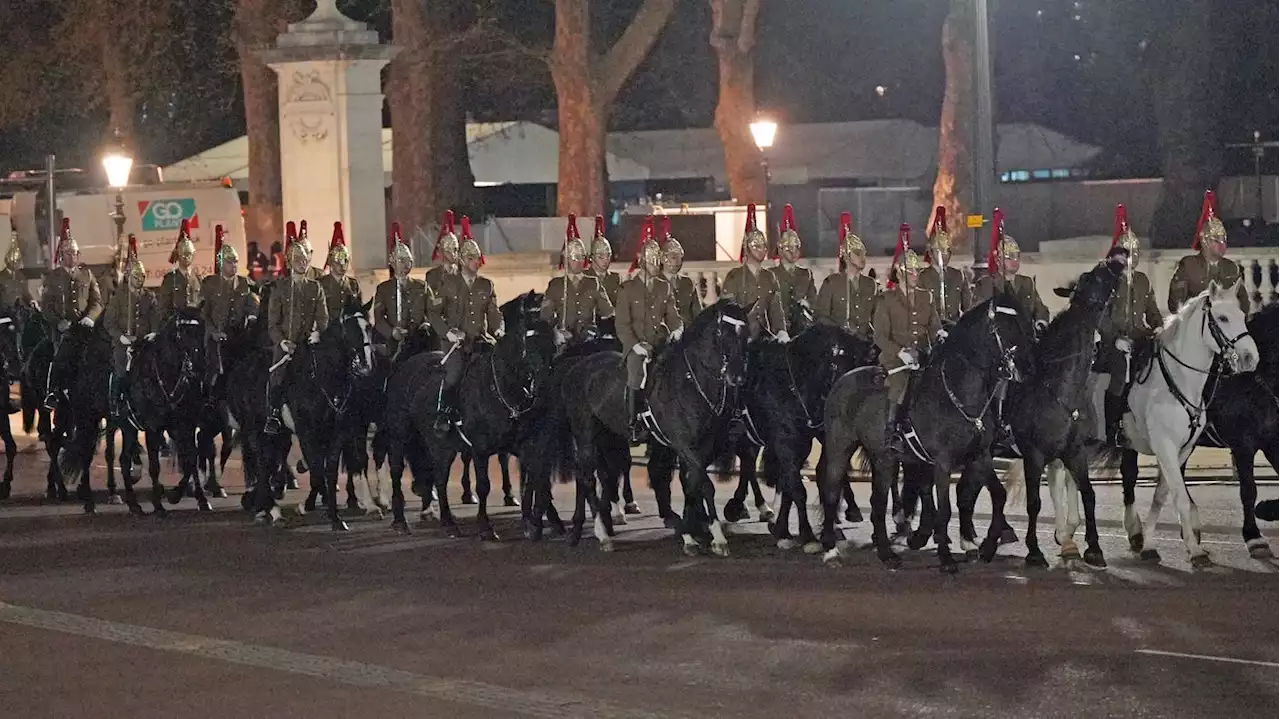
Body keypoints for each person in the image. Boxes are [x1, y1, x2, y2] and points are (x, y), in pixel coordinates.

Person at [429, 216, 502, 433]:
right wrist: (448, 333)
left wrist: (498, 327)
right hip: (454, 344)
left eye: (477, 258)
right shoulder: (447, 284)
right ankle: (444, 413)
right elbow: (434, 314)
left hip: (479, 340)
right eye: (471, 258)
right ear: (461, 260)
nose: (476, 262)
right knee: (454, 374)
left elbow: (493, 311)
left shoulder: (486, 285)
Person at [1097, 204, 1162, 447]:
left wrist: (1158, 326)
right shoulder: (1109, 280)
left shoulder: (1143, 280)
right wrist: (1114, 338)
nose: (1132, 257)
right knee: (1119, 374)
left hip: (1139, 337)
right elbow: (1102, 316)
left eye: (1135, 252)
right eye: (1128, 252)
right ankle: (1113, 427)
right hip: (1113, 342)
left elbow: (1152, 310)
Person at [874, 224, 942, 451]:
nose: (916, 276)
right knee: (899, 384)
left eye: (918, 271)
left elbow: (934, 326)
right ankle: (892, 431)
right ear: (900, 273)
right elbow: (880, 336)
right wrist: (900, 353)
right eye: (912, 271)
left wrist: (939, 333)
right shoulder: (887, 300)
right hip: (896, 360)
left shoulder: (926, 298)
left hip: (922, 356)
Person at [615, 216, 683, 442]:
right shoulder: (627, 289)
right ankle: (634, 421)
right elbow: (622, 325)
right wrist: (635, 345)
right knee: (637, 372)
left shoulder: (664, 287)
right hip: (635, 347)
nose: (657, 264)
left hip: (659, 341)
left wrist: (677, 328)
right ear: (642, 261)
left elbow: (672, 315)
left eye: (658, 260)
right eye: (653, 260)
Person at [264, 227, 329, 434]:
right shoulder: (279, 288)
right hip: (285, 346)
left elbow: (323, 317)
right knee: (278, 377)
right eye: (298, 259)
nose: (303, 263)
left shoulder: (315, 288)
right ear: (290, 262)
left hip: (307, 345)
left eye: (305, 259)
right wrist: (282, 342)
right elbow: (273, 323)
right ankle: (273, 414)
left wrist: (318, 332)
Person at [40, 218, 104, 409]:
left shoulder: (87, 275)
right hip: (64, 330)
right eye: (68, 253)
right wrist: (59, 322)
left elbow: (97, 301)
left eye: (75, 253)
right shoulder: (52, 277)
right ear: (62, 255)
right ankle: (53, 392)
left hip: (84, 327)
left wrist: (90, 317)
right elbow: (46, 307)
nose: (73, 256)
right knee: (60, 357)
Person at [1167, 189, 1251, 314]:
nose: (1223, 244)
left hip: (1225, 325)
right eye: (1217, 240)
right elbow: (1176, 305)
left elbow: (1244, 302)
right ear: (1205, 241)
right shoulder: (1189, 265)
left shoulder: (1231, 268)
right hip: (1196, 323)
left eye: (1224, 240)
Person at [971, 208, 1050, 331]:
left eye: (1016, 257)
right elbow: (977, 315)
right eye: (1009, 257)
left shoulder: (1027, 283)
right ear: (998, 260)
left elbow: (1040, 308)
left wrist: (1041, 321)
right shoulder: (986, 283)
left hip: (1026, 336)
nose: (1015, 261)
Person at [104, 236, 157, 416]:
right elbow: (109, 322)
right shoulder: (119, 297)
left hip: (144, 342)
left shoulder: (149, 296)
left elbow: (155, 317)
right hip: (123, 344)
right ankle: (116, 401)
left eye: (142, 276)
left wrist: (154, 332)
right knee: (121, 368)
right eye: (136, 276)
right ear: (128, 277)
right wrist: (121, 337)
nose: (140, 279)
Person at [542, 213, 613, 346]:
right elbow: (546, 316)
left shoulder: (593, 283)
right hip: (564, 340)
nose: (579, 262)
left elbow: (608, 312)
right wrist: (556, 332)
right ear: (566, 259)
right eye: (575, 258)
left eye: (581, 257)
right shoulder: (556, 285)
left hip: (589, 339)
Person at [721, 203, 787, 340]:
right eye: (756, 246)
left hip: (764, 337)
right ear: (747, 248)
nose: (761, 249)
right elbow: (726, 311)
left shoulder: (769, 277)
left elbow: (776, 310)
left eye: (764, 245)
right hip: (739, 339)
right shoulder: (735, 276)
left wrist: (781, 331)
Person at [200, 225, 252, 393]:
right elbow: (203, 312)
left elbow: (253, 305)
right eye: (230, 262)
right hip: (216, 339)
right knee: (215, 374)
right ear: (221, 263)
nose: (234, 265)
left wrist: (252, 317)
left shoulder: (245, 284)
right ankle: (208, 400)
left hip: (239, 337)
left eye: (236, 262)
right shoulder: (210, 284)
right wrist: (213, 331)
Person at [815, 212, 880, 337]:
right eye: (857, 253)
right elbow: (821, 317)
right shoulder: (832, 283)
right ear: (845, 257)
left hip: (865, 343)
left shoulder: (870, 284)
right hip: (839, 343)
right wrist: (840, 329)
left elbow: (876, 317)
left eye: (863, 253)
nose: (862, 258)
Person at [373, 222, 432, 360]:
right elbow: (379, 318)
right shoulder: (384, 289)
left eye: (408, 261)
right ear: (393, 263)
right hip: (395, 343)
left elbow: (431, 311)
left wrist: (427, 324)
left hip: (421, 342)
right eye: (401, 261)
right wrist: (391, 332)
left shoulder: (421, 286)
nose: (405, 265)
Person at [917, 206, 972, 323]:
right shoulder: (922, 277)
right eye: (939, 250)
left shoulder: (958, 275)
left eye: (946, 250)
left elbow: (968, 308)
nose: (943, 254)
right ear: (930, 254)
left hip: (955, 329)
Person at [772, 203, 816, 329]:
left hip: (802, 329)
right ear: (780, 251)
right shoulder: (770, 275)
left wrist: (807, 303)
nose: (793, 252)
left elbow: (814, 300)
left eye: (796, 247)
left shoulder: (806, 274)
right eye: (788, 248)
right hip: (777, 331)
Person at [156, 218, 202, 325]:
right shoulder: (170, 279)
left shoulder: (199, 278)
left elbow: (203, 304)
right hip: (176, 326)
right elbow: (163, 307)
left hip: (195, 326)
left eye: (188, 254)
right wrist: (171, 322)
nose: (186, 257)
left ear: (193, 255)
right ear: (178, 255)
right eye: (183, 254)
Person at [659, 215, 701, 326]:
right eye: (673, 257)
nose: (678, 261)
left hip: (688, 335)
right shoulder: (654, 282)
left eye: (680, 257)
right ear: (663, 259)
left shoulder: (687, 283)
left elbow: (698, 314)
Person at [318, 221, 363, 322]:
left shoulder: (353, 284)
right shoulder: (320, 284)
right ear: (331, 262)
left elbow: (359, 309)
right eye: (338, 261)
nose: (342, 265)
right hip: (328, 331)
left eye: (345, 261)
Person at [586, 216, 622, 305]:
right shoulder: (584, 277)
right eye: (601, 257)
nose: (605, 260)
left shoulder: (615, 278)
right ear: (592, 257)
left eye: (608, 256)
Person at [426, 210, 461, 300]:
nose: (453, 254)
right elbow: (430, 302)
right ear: (441, 251)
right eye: (449, 251)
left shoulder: (463, 274)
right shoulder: (432, 275)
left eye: (455, 250)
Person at [0, 228, 32, 310]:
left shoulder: (21, 276)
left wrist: (31, 301)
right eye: (14, 260)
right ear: (7, 260)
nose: (17, 263)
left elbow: (26, 294)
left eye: (18, 260)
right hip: (7, 314)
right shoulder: (1, 277)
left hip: (23, 312)